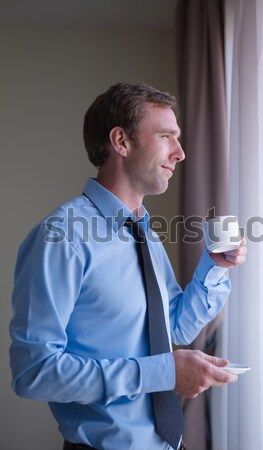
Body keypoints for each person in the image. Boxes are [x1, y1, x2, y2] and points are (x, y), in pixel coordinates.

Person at [9, 82, 247, 450]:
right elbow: (34, 372)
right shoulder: (61, 237)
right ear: (121, 141)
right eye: (166, 136)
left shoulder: (143, 232)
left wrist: (215, 268)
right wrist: (163, 372)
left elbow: (176, 325)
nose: (180, 153)